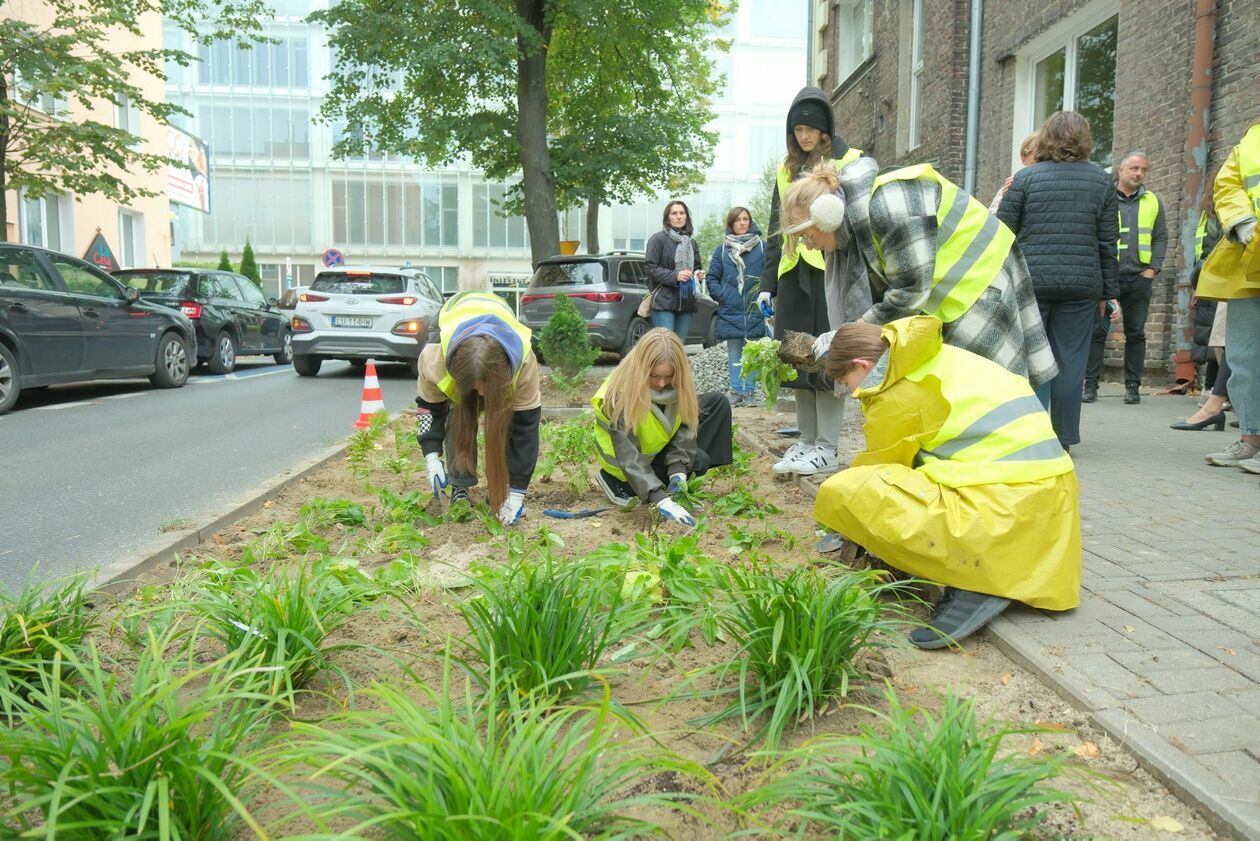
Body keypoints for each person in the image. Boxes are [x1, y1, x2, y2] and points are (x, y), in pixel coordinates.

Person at [814, 316, 1081, 649]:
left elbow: (881, 467)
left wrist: (843, 523)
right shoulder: (942, 358)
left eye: (847, 382)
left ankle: (973, 581)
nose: (852, 392)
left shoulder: (898, 390)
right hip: (1052, 504)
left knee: (846, 490)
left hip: (1005, 510)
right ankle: (989, 569)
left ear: (862, 365)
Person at [779, 154, 1057, 392]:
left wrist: (850, 331)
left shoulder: (886, 207)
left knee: (991, 385)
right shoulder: (856, 224)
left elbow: (909, 292)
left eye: (806, 236)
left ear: (828, 215)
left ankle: (1024, 444)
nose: (809, 247)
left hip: (981, 276)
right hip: (950, 288)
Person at [996, 111, 1118, 450]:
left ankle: (1030, 435)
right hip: (1080, 287)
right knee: (1070, 362)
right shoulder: (1101, 182)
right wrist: (1109, 293)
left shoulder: (1025, 179)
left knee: (1032, 359)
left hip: (1031, 283)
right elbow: (1108, 243)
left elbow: (1003, 235)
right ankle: (1062, 439)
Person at [761, 86, 866, 476]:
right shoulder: (785, 169)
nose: (803, 136)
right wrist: (766, 285)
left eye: (809, 128)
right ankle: (806, 443)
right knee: (795, 360)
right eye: (797, 129)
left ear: (824, 129)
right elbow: (777, 225)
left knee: (826, 359)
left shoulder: (850, 160)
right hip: (793, 275)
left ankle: (828, 446)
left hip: (830, 271)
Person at [415, 290, 541, 527]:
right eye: (473, 385)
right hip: (449, 323)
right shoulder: (434, 358)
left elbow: (526, 427)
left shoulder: (524, 362)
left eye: (487, 386)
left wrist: (517, 493)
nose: (481, 393)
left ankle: (501, 491)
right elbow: (429, 408)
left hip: (501, 324)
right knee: (459, 412)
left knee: (504, 417)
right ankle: (460, 486)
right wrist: (431, 456)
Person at [591, 328, 732, 527]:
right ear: (642, 368)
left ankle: (669, 480)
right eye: (654, 376)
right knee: (699, 460)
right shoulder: (618, 394)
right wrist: (661, 499)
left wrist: (677, 473)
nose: (662, 383)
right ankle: (616, 484)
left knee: (716, 404)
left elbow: (683, 426)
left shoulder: (678, 382)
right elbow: (629, 456)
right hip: (626, 470)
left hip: (654, 452)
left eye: (669, 377)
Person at [1082, 150, 1167, 405]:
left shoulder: (1153, 200)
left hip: (1138, 278)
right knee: (1097, 332)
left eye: (1143, 170)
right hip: (1108, 277)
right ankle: (1090, 385)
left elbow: (1160, 237)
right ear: (1120, 170)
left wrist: (1152, 270)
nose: (1139, 173)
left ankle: (1133, 387)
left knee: (1136, 333)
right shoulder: (1105, 197)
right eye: (1134, 169)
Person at [1199, 122, 1260, 472]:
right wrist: (1243, 223)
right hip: (1248, 260)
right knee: (1244, 357)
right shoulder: (1251, 141)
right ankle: (1251, 438)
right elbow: (1226, 183)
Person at [706, 206, 766, 406]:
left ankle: (750, 392)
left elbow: (770, 275)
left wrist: (765, 296)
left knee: (752, 354)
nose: (742, 222)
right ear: (731, 223)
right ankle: (736, 391)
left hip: (754, 308)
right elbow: (712, 278)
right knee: (734, 354)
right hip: (730, 309)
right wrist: (723, 296)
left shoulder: (761, 247)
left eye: (746, 219)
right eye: (738, 219)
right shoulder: (722, 250)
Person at [644, 200, 704, 342]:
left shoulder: (691, 242)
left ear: (686, 217)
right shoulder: (657, 239)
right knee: (665, 347)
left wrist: (698, 276)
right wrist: (675, 276)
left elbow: (696, 267)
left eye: (682, 213)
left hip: (686, 301)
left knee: (678, 347)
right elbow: (650, 268)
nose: (679, 216)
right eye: (674, 213)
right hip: (664, 300)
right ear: (667, 218)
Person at [988, 133, 1039, 213]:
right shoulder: (1013, 184)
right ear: (1023, 158)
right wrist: (1005, 199)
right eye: (1036, 159)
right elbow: (992, 219)